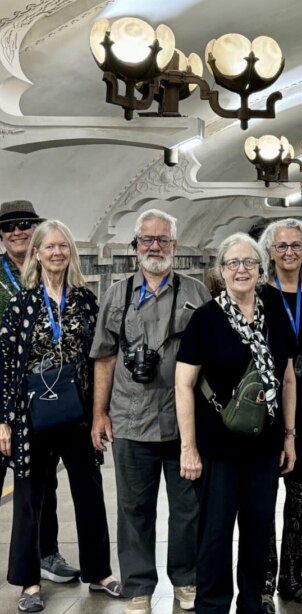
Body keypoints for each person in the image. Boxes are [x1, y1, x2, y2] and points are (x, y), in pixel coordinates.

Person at [89, 209, 210, 614]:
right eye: (147, 240)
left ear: (175, 246)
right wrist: (99, 413)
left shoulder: (196, 292)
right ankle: (138, 586)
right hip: (130, 418)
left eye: (162, 239)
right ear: (135, 247)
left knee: (188, 509)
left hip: (183, 424)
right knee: (133, 510)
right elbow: (103, 358)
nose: (154, 246)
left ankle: (187, 580)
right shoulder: (117, 294)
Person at [0, 220, 121, 613]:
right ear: (36, 252)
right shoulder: (22, 303)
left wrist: (102, 411)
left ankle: (100, 573)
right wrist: (3, 420)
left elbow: (101, 357)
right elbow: (5, 364)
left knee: (89, 490)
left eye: (63, 247)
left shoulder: (86, 300)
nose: (56, 253)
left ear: (71, 253)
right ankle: (29, 583)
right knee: (29, 497)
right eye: (49, 247)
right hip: (30, 415)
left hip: (78, 412)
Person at [175, 233, 296, 614]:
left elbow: (287, 377)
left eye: (249, 262)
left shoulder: (274, 309)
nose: (241, 270)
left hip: (264, 443)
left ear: (261, 269)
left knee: (259, 531)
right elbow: (184, 384)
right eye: (233, 263)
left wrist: (290, 436)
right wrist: (189, 447)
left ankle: (251, 604)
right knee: (215, 533)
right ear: (220, 271)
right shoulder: (206, 318)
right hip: (217, 447)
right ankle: (212, 605)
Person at [0, 200, 80, 587]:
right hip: (3, 396)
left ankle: (46, 553)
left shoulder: (51, 274)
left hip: (41, 399)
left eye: (25, 225)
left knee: (41, 481)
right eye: (8, 227)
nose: (16, 232)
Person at [258, 219, 302, 611]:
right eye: (281, 245)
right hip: (266, 409)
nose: (289, 252)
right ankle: (265, 581)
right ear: (269, 251)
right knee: (264, 499)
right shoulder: (255, 293)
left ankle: (299, 576)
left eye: (296, 246)